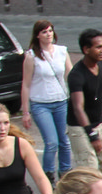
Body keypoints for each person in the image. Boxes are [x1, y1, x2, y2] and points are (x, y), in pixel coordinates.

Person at [20, 19, 73, 181]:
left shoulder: (62, 51)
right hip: (40, 104)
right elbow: (26, 85)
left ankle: (65, 172)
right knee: (51, 143)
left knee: (65, 141)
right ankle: (48, 175)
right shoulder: (31, 57)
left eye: (50, 31)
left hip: (61, 101)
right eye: (44, 32)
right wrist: (25, 112)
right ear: (37, 35)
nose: (48, 34)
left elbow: (71, 75)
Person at [66, 29, 102, 181]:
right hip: (80, 126)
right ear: (86, 49)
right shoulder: (76, 75)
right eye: (98, 47)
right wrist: (92, 134)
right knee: (90, 170)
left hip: (99, 122)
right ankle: (87, 193)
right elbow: (78, 107)